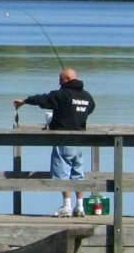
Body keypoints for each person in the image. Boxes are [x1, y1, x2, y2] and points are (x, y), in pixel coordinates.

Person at [14, 68, 95, 217]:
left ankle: (67, 206)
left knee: (62, 174)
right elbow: (91, 108)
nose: (59, 83)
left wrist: (25, 101)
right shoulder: (87, 96)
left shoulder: (62, 94)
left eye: (60, 80)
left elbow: (42, 99)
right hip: (79, 141)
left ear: (67, 79)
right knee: (78, 174)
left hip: (63, 139)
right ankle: (80, 207)